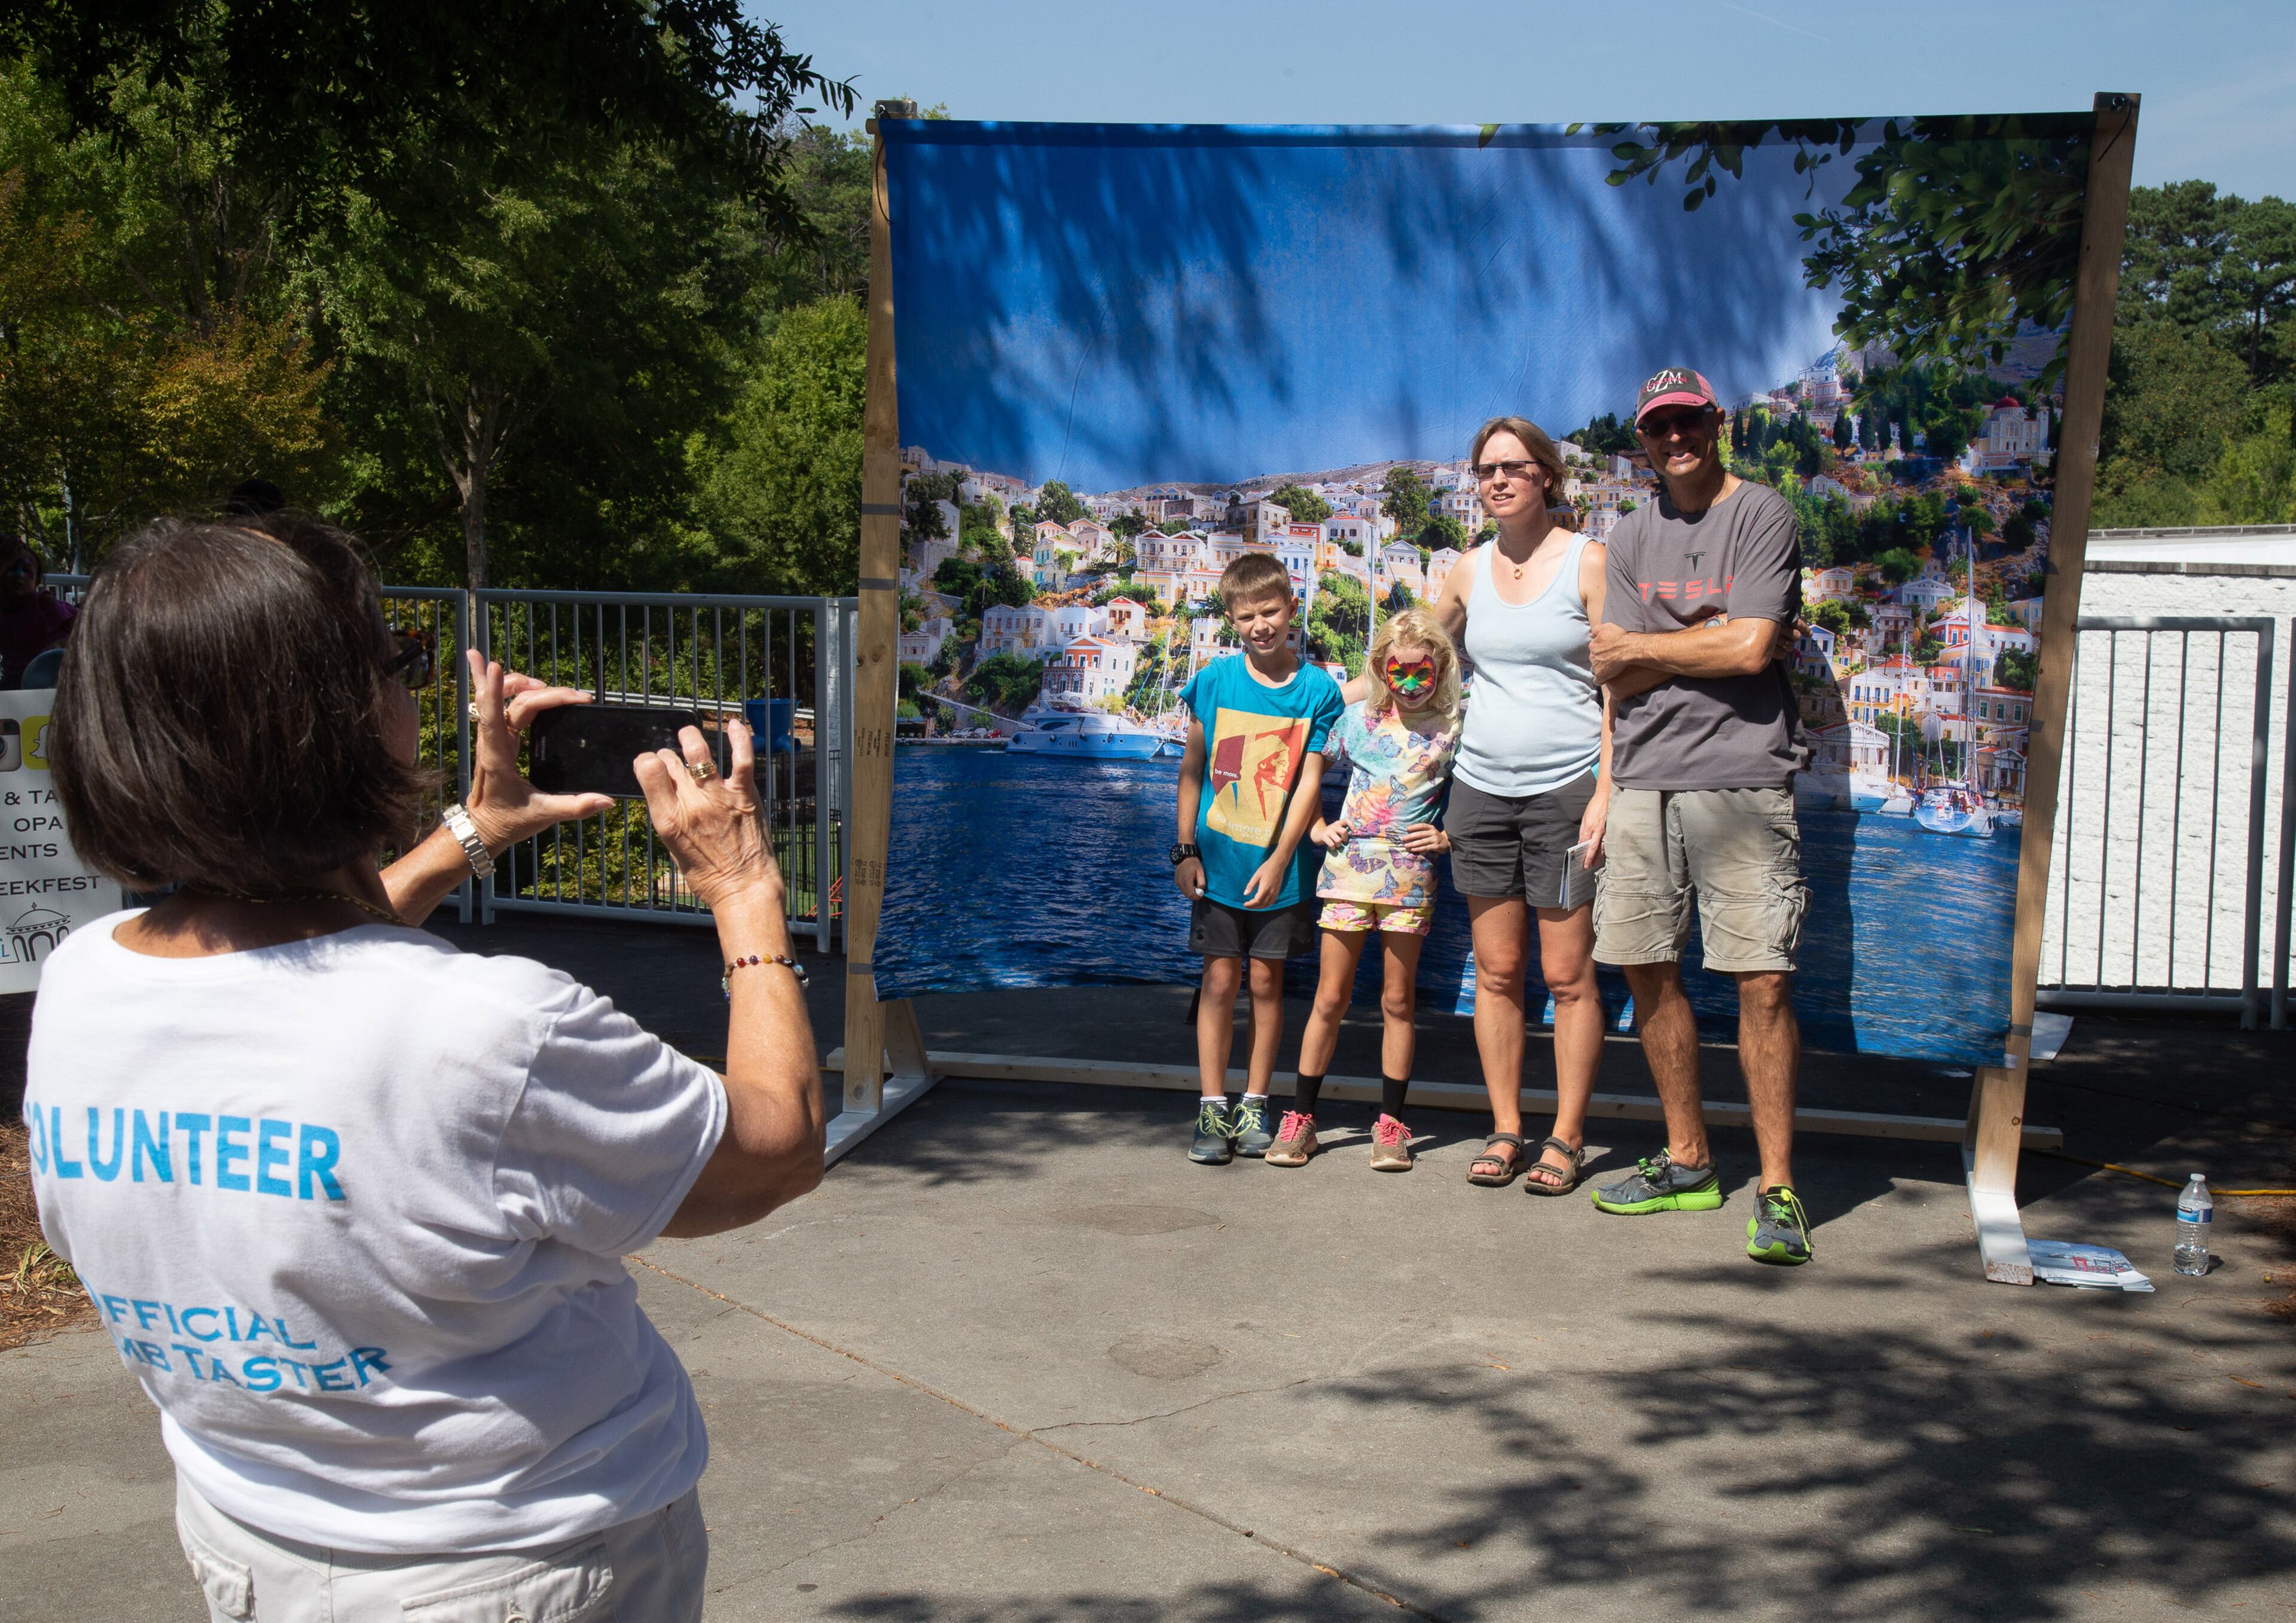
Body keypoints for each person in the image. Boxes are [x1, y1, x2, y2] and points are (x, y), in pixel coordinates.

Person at [25, 514, 825, 1617]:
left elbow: (305, 972)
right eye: (397, 665)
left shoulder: (81, 981)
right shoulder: (490, 1027)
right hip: (517, 1562)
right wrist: (743, 890)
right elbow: (770, 1146)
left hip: (253, 1531)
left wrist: (472, 830)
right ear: (344, 721)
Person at [1586, 367, 1814, 1265]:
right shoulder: (1632, 534)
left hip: (1743, 777)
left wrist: (1669, 643)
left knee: (1761, 979)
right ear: (1642, 439)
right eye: (1657, 427)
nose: (1673, 438)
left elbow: (1755, 646)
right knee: (1645, 966)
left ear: (1715, 424)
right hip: (1644, 777)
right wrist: (1704, 637)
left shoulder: (1762, 514)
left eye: (1687, 421)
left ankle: (1779, 1188)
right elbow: (1615, 668)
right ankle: (1688, 1162)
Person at [1418, 417, 1611, 1196]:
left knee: (1567, 976)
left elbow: (1620, 687)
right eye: (1485, 469)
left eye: (1514, 467)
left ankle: (1566, 1136)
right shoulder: (1467, 570)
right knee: (1497, 972)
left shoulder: (1589, 563)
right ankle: (1506, 1128)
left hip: (1567, 795)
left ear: (1547, 477)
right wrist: (1324, 704)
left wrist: (1607, 788)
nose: (1498, 480)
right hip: (1482, 793)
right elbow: (1413, 660)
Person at [1275, 606, 1462, 1172]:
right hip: (1347, 872)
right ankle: (1302, 1118)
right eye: (1397, 671)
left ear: (1441, 667)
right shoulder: (1356, 719)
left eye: (1420, 672)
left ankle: (1391, 1126)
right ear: (1380, 666)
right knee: (1330, 998)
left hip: (1410, 878)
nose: (1409, 684)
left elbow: (1485, 790)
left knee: (1398, 1001)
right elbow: (1304, 774)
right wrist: (1313, 827)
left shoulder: (1455, 725)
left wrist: (1450, 837)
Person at [1172, 551, 1344, 1165]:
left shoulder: (1319, 691)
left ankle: (1254, 1103)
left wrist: (1280, 861)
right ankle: (1211, 1106)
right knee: (1219, 979)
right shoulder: (1215, 679)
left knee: (1268, 982)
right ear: (1231, 619)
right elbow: (1192, 771)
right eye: (1246, 616)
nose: (1259, 625)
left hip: (1284, 874)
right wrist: (1185, 849)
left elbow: (1308, 786)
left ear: (1292, 608)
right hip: (1216, 867)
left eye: (1270, 611)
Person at [0, 533, 75, 688]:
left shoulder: (43, 603)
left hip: (52, 678)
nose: (19, 576)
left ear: (38, 581)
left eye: (27, 571)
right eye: (11, 569)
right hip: (15, 682)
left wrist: (62, 643)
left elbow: (86, 626)